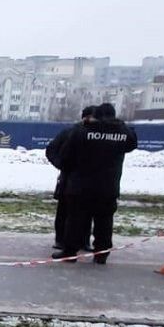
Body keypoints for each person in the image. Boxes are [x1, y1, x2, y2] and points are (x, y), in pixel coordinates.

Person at [53, 103, 137, 263]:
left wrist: (68, 171)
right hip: (108, 186)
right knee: (104, 221)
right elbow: (132, 142)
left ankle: (70, 252)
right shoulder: (122, 133)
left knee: (75, 220)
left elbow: (66, 156)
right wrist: (119, 124)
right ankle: (102, 253)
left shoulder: (82, 131)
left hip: (80, 185)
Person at [46, 107, 95, 250]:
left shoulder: (96, 134)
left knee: (87, 212)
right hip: (69, 178)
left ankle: (83, 240)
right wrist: (61, 165)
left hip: (90, 180)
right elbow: (51, 150)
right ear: (85, 117)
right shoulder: (70, 132)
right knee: (64, 210)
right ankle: (61, 240)